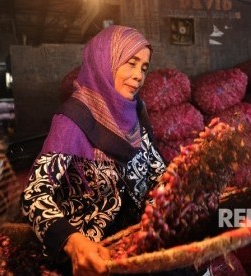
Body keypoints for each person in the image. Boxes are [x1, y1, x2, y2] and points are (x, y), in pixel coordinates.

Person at [21, 25, 166, 275]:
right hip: (92, 256)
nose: (139, 76)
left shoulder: (135, 113)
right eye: (130, 63)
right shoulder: (73, 119)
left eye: (144, 67)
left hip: (136, 244)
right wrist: (73, 243)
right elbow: (34, 195)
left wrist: (175, 194)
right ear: (105, 61)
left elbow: (156, 172)